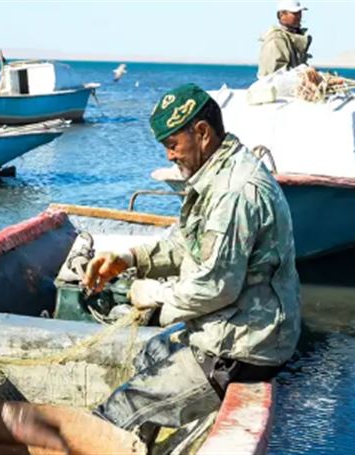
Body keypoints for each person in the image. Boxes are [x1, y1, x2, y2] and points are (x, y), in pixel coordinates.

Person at [83, 83, 302, 445]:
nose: (169, 156)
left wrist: (155, 295)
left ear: (201, 133)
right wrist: (129, 259)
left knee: (120, 408)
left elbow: (216, 285)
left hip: (245, 346)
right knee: (151, 352)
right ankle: (139, 447)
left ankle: (113, 437)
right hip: (228, 325)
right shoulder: (216, 175)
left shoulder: (235, 191)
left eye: (172, 146)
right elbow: (186, 244)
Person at [257, 0, 312, 78]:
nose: (299, 16)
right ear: (282, 15)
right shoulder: (276, 39)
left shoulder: (291, 36)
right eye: (295, 13)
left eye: (300, 13)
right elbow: (276, 74)